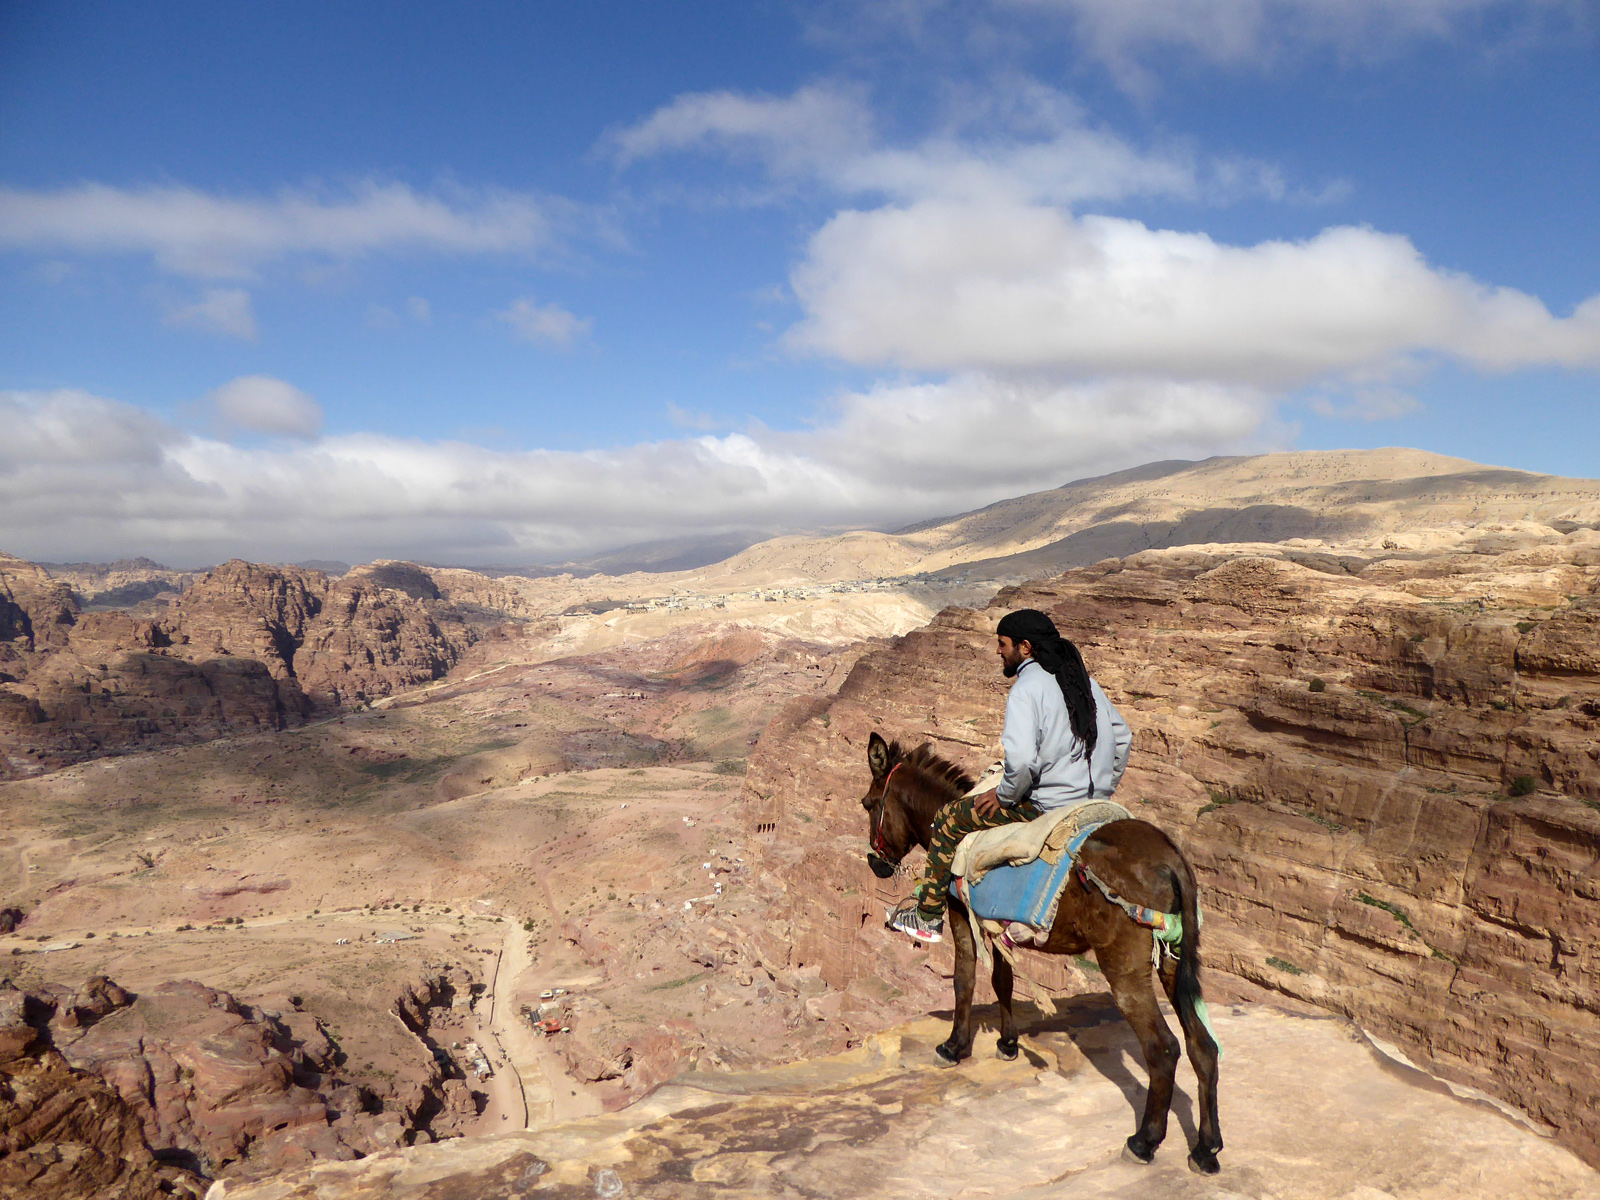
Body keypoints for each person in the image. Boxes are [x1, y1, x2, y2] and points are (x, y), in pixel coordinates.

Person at [886, 608, 1133, 943]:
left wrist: (1003, 796)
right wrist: (1105, 786)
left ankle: (927, 916)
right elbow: (1123, 738)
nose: (998, 651)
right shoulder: (1084, 682)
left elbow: (1022, 763)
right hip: (1096, 801)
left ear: (1025, 647)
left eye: (1002, 644)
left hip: (1050, 806)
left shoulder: (1026, 690)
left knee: (946, 818)